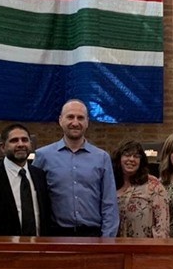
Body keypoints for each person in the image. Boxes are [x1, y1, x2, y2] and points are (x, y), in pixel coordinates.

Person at [32, 99, 119, 237]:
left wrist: (107, 239)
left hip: (93, 236)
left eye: (80, 118)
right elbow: (33, 199)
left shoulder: (102, 157)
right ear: (60, 120)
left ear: (87, 122)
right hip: (55, 236)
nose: (75, 122)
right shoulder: (43, 156)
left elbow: (109, 203)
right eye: (70, 117)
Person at [0, 123, 51, 236]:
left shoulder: (40, 176)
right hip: (4, 248)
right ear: (2, 147)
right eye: (14, 141)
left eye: (24, 140)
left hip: (38, 247)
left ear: (31, 144)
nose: (20, 144)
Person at [112, 140, 169, 238]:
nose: (131, 159)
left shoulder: (153, 185)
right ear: (119, 159)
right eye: (127, 155)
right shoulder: (110, 184)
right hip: (116, 246)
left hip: (145, 248)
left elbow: (162, 225)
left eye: (136, 156)